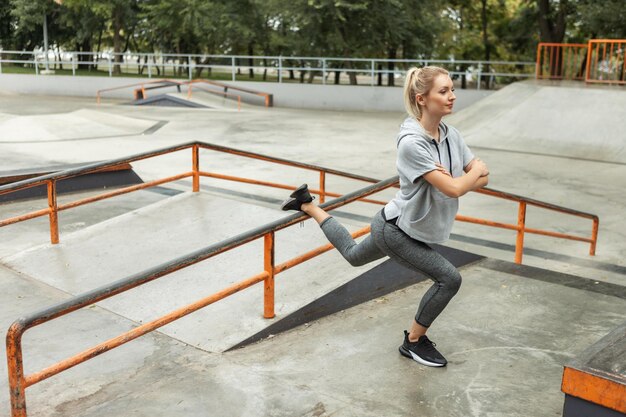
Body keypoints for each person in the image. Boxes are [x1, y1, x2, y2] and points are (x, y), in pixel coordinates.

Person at [281, 66, 489, 367]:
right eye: (444, 91)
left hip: (404, 225)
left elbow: (480, 179)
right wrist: (466, 176)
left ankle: (307, 204)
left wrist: (463, 179)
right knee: (449, 279)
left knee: (353, 255)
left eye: (452, 89)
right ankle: (414, 341)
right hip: (397, 230)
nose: (452, 96)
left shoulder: (450, 135)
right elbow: (459, 186)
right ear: (422, 98)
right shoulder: (412, 143)